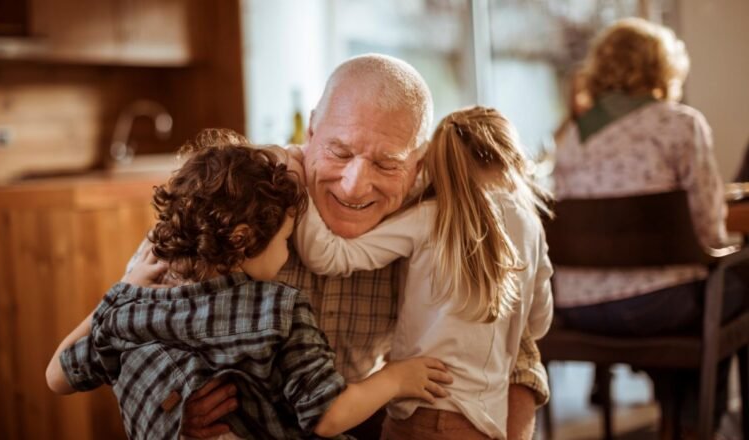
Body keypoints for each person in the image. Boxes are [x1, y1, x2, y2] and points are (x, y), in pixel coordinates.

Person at [128, 54, 550, 439]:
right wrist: (173, 407)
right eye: (339, 151)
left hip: (358, 418)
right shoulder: (239, 192)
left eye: (387, 163)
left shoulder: (437, 217)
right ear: (311, 131)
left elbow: (518, 353)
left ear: (418, 166)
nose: (354, 186)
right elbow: (128, 331)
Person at [45, 131, 454, 439]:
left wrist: (123, 292)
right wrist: (397, 378)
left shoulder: (134, 305)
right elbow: (328, 415)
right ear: (242, 239)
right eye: (284, 240)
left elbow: (57, 377)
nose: (287, 252)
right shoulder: (279, 310)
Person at [293, 106, 554, 439]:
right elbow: (539, 324)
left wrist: (297, 180)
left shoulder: (430, 216)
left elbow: (327, 256)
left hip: (415, 407)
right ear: (511, 156)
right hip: (481, 419)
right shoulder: (531, 226)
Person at [552, 18, 746, 437]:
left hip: (577, 308)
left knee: (694, 296)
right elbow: (708, 230)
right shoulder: (679, 123)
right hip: (657, 307)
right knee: (732, 285)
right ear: (663, 69)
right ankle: (697, 426)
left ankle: (674, 419)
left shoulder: (571, 137)